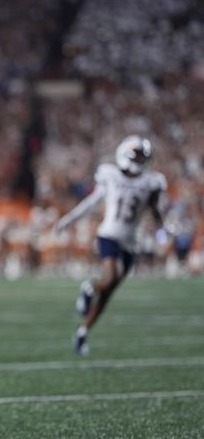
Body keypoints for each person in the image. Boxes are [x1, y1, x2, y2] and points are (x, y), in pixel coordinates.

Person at [55, 135, 167, 356]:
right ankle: (88, 288)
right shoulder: (110, 175)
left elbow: (155, 211)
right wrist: (68, 220)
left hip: (131, 242)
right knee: (110, 277)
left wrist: (162, 231)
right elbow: (91, 203)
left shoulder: (152, 182)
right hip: (109, 235)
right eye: (137, 156)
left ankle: (82, 332)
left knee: (108, 292)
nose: (141, 161)